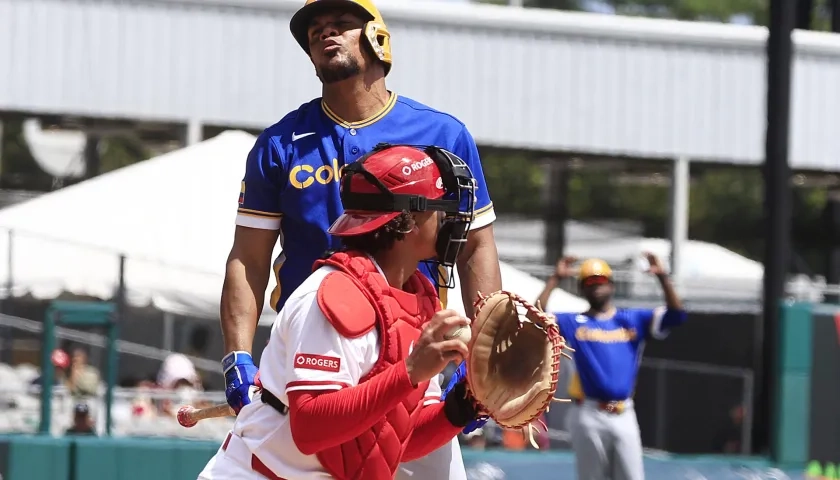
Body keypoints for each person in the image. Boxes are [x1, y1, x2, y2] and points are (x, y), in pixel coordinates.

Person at [219, 0, 501, 477]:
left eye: (341, 24)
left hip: (413, 346)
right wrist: (237, 355)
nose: (325, 34)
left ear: (377, 37)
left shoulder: (441, 134)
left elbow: (476, 244)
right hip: (318, 357)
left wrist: (484, 352)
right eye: (315, 32)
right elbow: (248, 258)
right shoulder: (281, 142)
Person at [200, 144, 482, 480]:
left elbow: (394, 440)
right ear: (407, 222)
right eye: (440, 209)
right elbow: (310, 427)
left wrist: (462, 406)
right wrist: (409, 372)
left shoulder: (418, 298)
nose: (450, 221)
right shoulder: (336, 296)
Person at [535, 253, 688, 480]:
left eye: (600, 281)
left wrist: (663, 277)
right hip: (588, 412)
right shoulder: (573, 321)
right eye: (589, 283)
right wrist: (554, 279)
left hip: (624, 411)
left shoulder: (632, 319)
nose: (595, 287)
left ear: (611, 285)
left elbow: (677, 315)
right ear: (582, 289)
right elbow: (537, 318)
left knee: (632, 477)